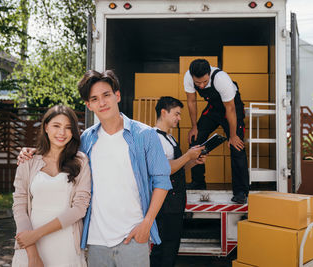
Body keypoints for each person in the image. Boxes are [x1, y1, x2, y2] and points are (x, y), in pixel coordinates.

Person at [18, 70, 172, 267]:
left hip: (134, 236)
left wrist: (147, 224)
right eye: (94, 99)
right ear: (89, 105)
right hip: (96, 241)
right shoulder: (85, 141)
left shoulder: (145, 135)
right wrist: (32, 153)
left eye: (106, 95)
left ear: (117, 96)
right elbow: (56, 155)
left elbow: (162, 182)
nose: (102, 102)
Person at [11, 105, 91, 267]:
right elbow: (19, 207)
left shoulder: (80, 161)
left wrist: (37, 234)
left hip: (66, 244)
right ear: (46, 127)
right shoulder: (28, 161)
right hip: (31, 246)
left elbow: (80, 208)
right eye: (56, 126)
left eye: (68, 128)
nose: (62, 133)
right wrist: (32, 253)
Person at [150, 96, 207, 267]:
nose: (179, 118)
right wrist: (187, 156)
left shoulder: (171, 138)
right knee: (164, 248)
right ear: (163, 112)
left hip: (176, 200)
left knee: (172, 246)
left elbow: (177, 168)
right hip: (165, 202)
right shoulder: (154, 138)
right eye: (176, 114)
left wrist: (192, 161)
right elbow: (165, 169)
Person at [184, 59, 250, 204]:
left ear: (209, 73)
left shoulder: (221, 79)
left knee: (236, 146)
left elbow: (230, 109)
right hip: (214, 108)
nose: (201, 85)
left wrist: (232, 136)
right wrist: (194, 126)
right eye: (198, 83)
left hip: (232, 109)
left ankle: (241, 191)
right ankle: (198, 183)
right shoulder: (188, 77)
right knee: (196, 139)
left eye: (204, 82)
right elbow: (191, 102)